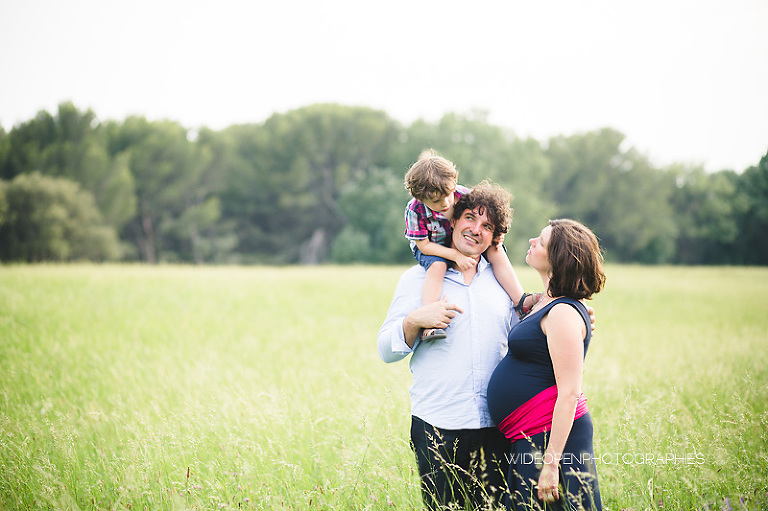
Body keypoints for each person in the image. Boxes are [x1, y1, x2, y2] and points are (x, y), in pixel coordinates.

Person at [379, 181, 525, 510]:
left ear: (495, 236)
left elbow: (526, 341)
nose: (476, 229)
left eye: (487, 225)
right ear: (454, 221)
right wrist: (415, 320)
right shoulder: (416, 279)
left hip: (497, 426)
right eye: (470, 218)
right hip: (435, 426)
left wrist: (572, 315)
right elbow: (385, 351)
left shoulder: (504, 284)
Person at [486, 219, 606, 510]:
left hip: (550, 439)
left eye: (541, 241)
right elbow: (497, 257)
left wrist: (552, 465)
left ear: (559, 258)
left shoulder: (562, 312)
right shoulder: (543, 303)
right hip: (531, 434)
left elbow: (569, 392)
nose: (531, 242)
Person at [403, 151, 532, 342]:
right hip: (432, 247)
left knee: (496, 250)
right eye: (436, 202)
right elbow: (424, 246)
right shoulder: (414, 209)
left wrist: (499, 234)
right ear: (421, 199)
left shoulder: (464, 195)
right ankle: (430, 322)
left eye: (447, 195)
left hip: (458, 239)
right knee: (437, 266)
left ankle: (521, 301)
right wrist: (455, 256)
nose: (446, 203)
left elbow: (490, 213)